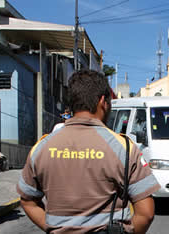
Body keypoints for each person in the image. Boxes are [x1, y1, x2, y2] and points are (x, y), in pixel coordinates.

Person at [17, 70, 160, 234]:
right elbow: (146, 213)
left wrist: (54, 228)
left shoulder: (41, 147)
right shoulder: (123, 147)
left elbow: (28, 201)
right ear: (102, 101)